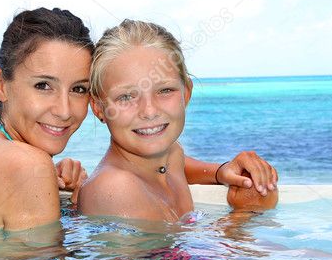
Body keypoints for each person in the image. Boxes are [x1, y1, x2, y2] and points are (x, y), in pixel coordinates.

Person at [78, 19, 278, 221]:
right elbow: (177, 253)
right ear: (98, 108)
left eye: (165, 90)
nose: (149, 111)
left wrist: (221, 171)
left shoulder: (171, 154)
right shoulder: (115, 189)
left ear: (186, 93)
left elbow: (177, 164)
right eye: (126, 96)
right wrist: (248, 212)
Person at [0, 7, 93, 231]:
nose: (64, 110)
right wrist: (83, 210)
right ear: (1, 85)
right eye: (43, 86)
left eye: (79, 89)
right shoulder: (28, 165)